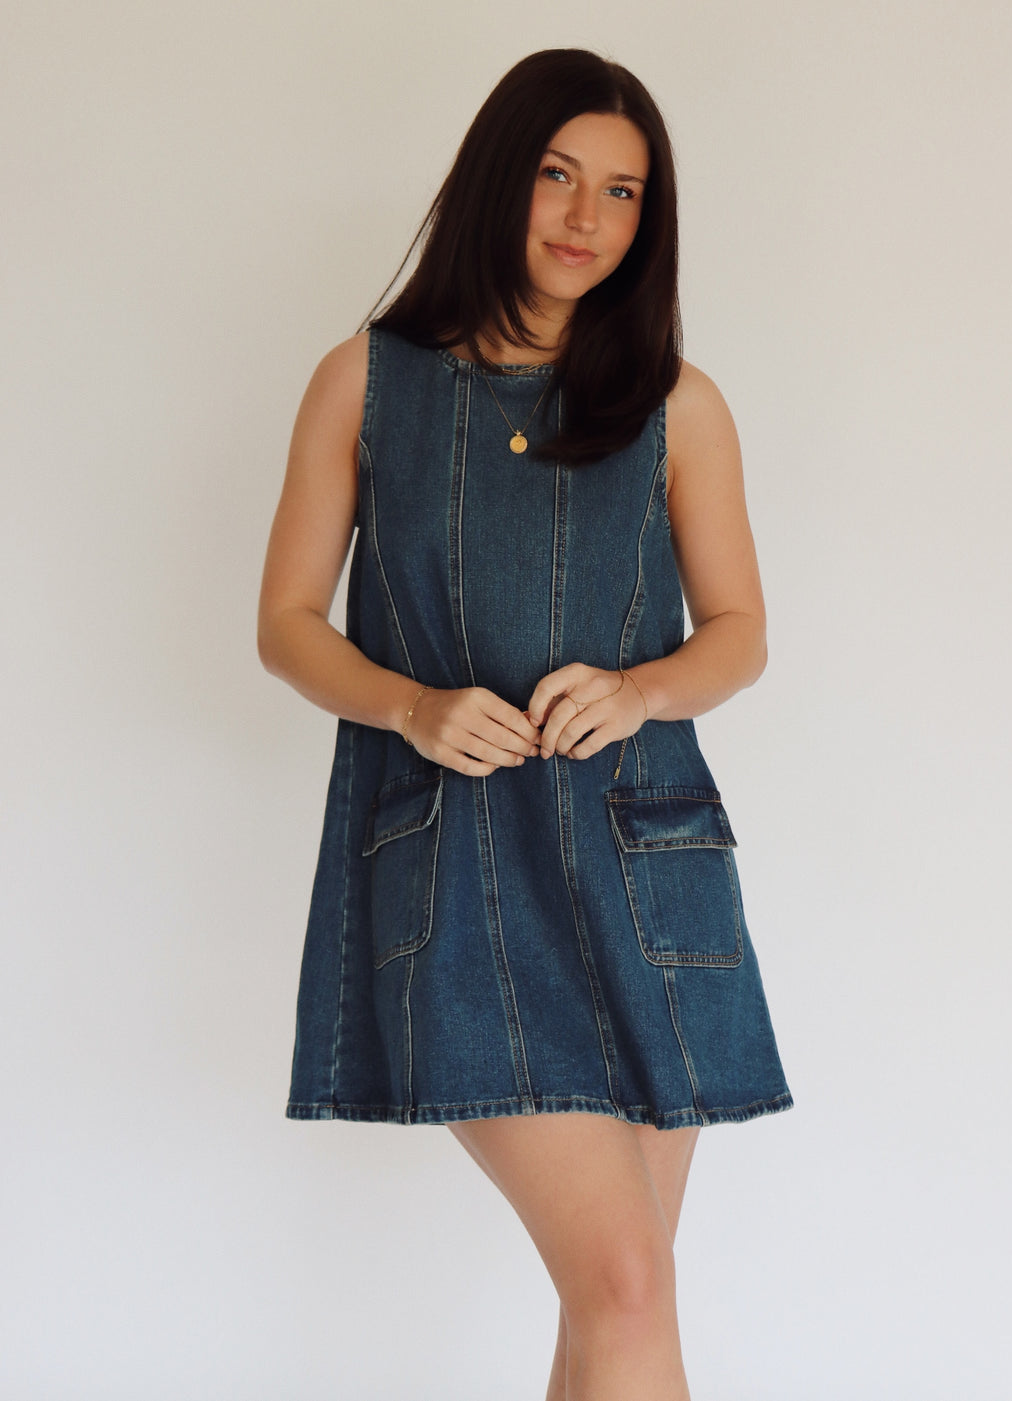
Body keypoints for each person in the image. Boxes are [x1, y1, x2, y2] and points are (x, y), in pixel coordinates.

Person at [258, 48, 791, 1401]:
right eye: (558, 175)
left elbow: (740, 631)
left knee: (617, 1297)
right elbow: (287, 622)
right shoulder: (365, 383)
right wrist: (412, 704)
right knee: (626, 1287)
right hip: (459, 868)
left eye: (621, 193)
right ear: (500, 176)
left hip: (648, 868)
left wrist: (640, 688)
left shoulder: (679, 402)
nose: (584, 218)